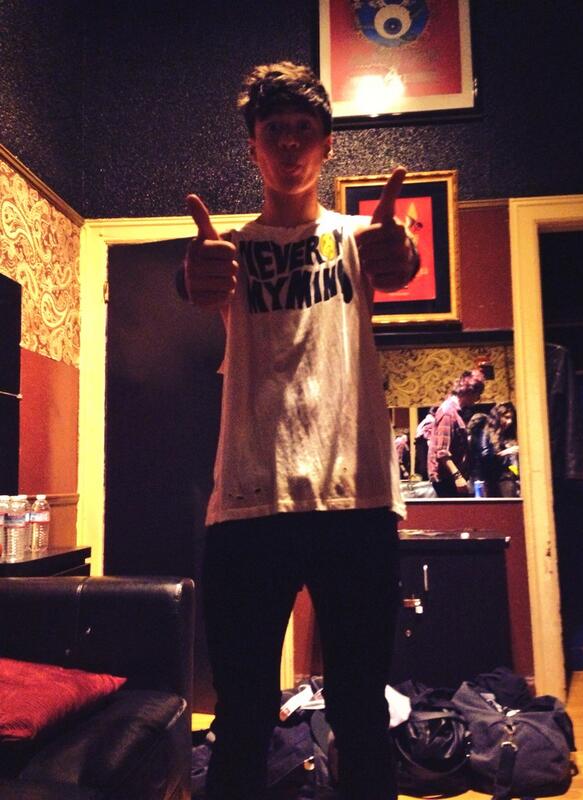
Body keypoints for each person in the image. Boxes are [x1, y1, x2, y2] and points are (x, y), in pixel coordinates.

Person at [181, 62, 420, 800]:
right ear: (253, 145)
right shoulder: (228, 251)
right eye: (274, 130)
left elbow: (400, 260)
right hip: (250, 505)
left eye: (303, 130)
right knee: (242, 720)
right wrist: (191, 275)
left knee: (361, 712)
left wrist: (404, 253)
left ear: (326, 145)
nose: (289, 143)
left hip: (357, 504)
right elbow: (197, 281)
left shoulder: (358, 239)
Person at [427, 370, 485, 497]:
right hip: (446, 479)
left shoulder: (456, 412)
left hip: (451, 478)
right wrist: (457, 476)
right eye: (478, 394)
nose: (478, 399)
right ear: (469, 391)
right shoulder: (448, 412)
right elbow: (442, 452)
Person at [482, 401, 520, 497]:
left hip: (507, 478)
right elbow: (486, 458)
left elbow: (510, 464)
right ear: (498, 417)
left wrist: (516, 473)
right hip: (492, 480)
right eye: (506, 417)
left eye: (511, 418)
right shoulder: (486, 434)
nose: (510, 421)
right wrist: (507, 452)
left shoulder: (507, 435)